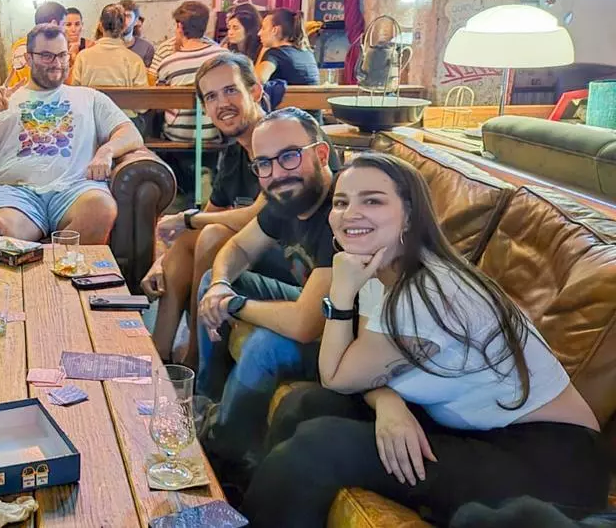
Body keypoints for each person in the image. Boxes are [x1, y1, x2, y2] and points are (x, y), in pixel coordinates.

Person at [241, 153, 607, 527]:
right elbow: (357, 365)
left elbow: (337, 376)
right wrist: (388, 402)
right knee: (305, 404)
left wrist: (342, 293)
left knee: (320, 446)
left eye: (372, 201)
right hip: (472, 427)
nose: (350, 214)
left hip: (548, 461)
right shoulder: (380, 269)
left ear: (410, 215)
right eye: (341, 202)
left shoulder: (431, 294)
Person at [194, 107, 336, 486]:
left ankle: (225, 454)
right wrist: (221, 285)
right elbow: (238, 248)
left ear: (321, 154)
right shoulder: (286, 199)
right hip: (313, 302)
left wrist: (235, 304)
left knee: (265, 346)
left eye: (289, 156)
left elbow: (306, 325)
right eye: (264, 164)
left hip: (353, 337)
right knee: (213, 280)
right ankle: (206, 400)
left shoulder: (343, 212)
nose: (277, 173)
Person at [0, 23, 144, 244]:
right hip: (15, 194)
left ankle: (59, 262)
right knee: (0, 229)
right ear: (28, 58)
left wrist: (106, 151)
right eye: (47, 56)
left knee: (102, 208)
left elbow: (131, 133)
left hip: (76, 189)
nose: (56, 63)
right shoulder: (1, 100)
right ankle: (49, 262)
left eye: (62, 55)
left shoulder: (89, 97)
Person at [141, 53, 270, 364]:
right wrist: (162, 261)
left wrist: (187, 218)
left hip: (291, 258)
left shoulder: (278, 138)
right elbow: (209, 215)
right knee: (191, 237)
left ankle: (195, 359)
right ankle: (158, 356)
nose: (222, 104)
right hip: (254, 250)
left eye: (231, 90)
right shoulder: (235, 152)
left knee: (210, 234)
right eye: (211, 97)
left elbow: (262, 216)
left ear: (255, 91)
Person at [157, 1, 228, 143]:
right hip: (214, 131)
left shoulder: (168, 63)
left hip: (177, 135)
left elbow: (160, 103)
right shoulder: (224, 56)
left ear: (180, 27)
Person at [69, 3, 150, 128]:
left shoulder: (83, 57)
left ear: (101, 26)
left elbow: (75, 96)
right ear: (123, 27)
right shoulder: (134, 60)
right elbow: (142, 106)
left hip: (92, 123)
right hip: (125, 123)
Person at [551, 0, 616, 91]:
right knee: (606, 105)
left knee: (569, 104)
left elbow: (554, 17)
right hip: (612, 66)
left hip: (575, 61)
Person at [5, 1, 68, 88]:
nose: (66, 29)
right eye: (64, 24)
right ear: (53, 24)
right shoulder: (32, 48)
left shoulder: (22, 43)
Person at [257, 8, 319, 86]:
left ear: (275, 30)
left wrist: (263, 50)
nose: (259, 33)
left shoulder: (275, 54)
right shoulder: (307, 53)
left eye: (263, 28)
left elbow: (257, 81)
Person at [118, 0, 157, 68]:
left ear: (136, 21)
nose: (123, 20)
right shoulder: (105, 46)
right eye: (121, 15)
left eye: (128, 16)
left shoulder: (146, 48)